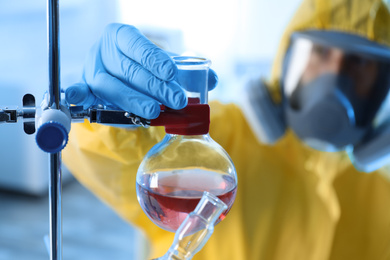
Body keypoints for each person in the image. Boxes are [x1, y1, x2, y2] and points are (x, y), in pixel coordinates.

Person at [63, 0, 390, 259]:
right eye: (320, 52)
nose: (334, 75)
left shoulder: (381, 187)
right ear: (288, 57)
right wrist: (111, 107)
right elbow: (118, 154)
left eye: (358, 63)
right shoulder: (228, 136)